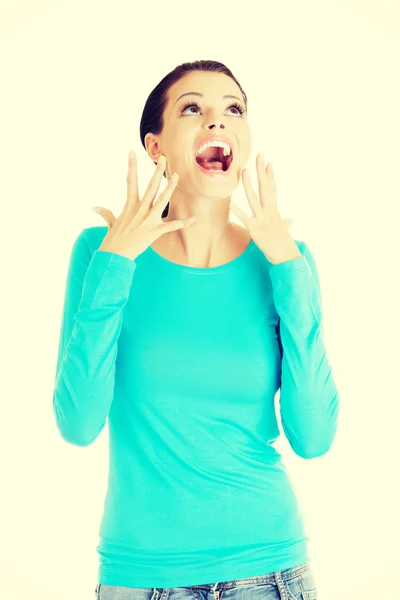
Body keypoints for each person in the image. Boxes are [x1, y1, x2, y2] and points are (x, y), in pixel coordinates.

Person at [53, 60, 339, 599]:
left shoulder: (286, 261)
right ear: (155, 145)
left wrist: (288, 271)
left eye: (233, 109)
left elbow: (315, 436)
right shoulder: (101, 252)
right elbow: (78, 421)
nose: (217, 122)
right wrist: (116, 263)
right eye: (193, 108)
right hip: (139, 576)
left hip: (270, 571)